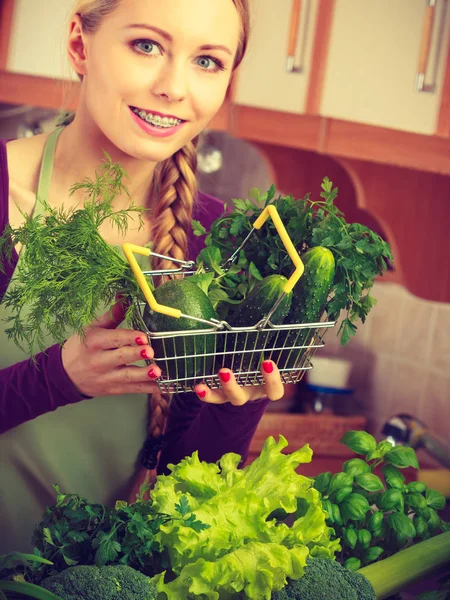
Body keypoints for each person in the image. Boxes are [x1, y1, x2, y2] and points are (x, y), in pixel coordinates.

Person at [0, 0, 286, 553]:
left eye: (207, 61)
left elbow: (183, 478)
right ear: (80, 45)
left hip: (89, 583)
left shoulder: (217, 239)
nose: (174, 87)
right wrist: (59, 375)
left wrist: (237, 401)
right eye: (147, 45)